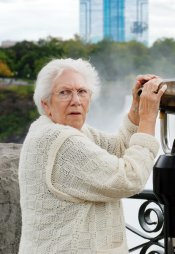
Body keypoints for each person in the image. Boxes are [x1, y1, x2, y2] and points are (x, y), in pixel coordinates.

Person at [18, 58, 167, 253]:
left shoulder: (64, 132)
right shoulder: (60, 140)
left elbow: (118, 149)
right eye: (65, 93)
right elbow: (128, 178)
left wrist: (136, 111)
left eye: (82, 92)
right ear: (46, 104)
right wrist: (148, 118)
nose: (76, 101)